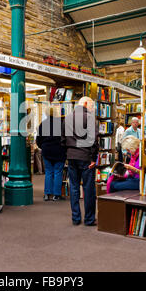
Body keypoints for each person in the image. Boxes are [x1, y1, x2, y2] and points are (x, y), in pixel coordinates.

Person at [62, 97, 98, 226]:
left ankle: (76, 218)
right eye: (92, 106)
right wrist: (93, 158)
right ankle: (89, 219)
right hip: (85, 156)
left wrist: (68, 152)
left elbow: (63, 139)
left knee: (74, 187)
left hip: (71, 156)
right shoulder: (89, 117)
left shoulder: (67, 118)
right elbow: (93, 140)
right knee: (88, 188)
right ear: (87, 103)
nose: (92, 109)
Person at [36, 106, 66, 201]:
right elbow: (65, 138)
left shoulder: (43, 124)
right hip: (59, 150)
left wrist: (43, 147)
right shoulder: (61, 123)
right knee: (58, 172)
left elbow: (38, 140)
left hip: (47, 150)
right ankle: (56, 195)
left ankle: (47, 194)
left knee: (48, 172)